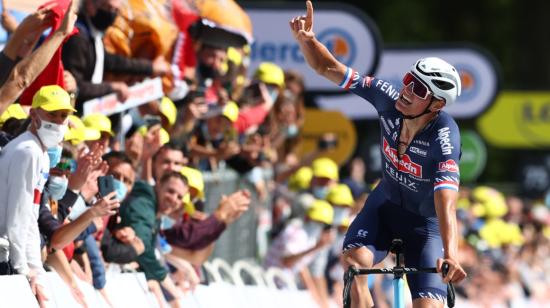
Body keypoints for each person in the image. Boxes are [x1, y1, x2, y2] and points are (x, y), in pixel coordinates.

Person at [290, 2, 467, 308]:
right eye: (409, 80)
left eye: (419, 91)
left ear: (436, 105)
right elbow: (328, 68)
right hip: (383, 207)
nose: (407, 90)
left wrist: (451, 253)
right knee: (356, 263)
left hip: (424, 227)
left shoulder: (444, 137)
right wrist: (308, 42)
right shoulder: (387, 96)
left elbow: (446, 203)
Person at [0, 85, 75, 305]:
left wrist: (36, 270)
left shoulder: (39, 153)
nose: (59, 121)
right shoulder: (27, 151)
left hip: (9, 256)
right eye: (52, 113)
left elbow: (30, 217)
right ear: (33, 114)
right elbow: (17, 216)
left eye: (64, 115)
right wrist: (24, 269)